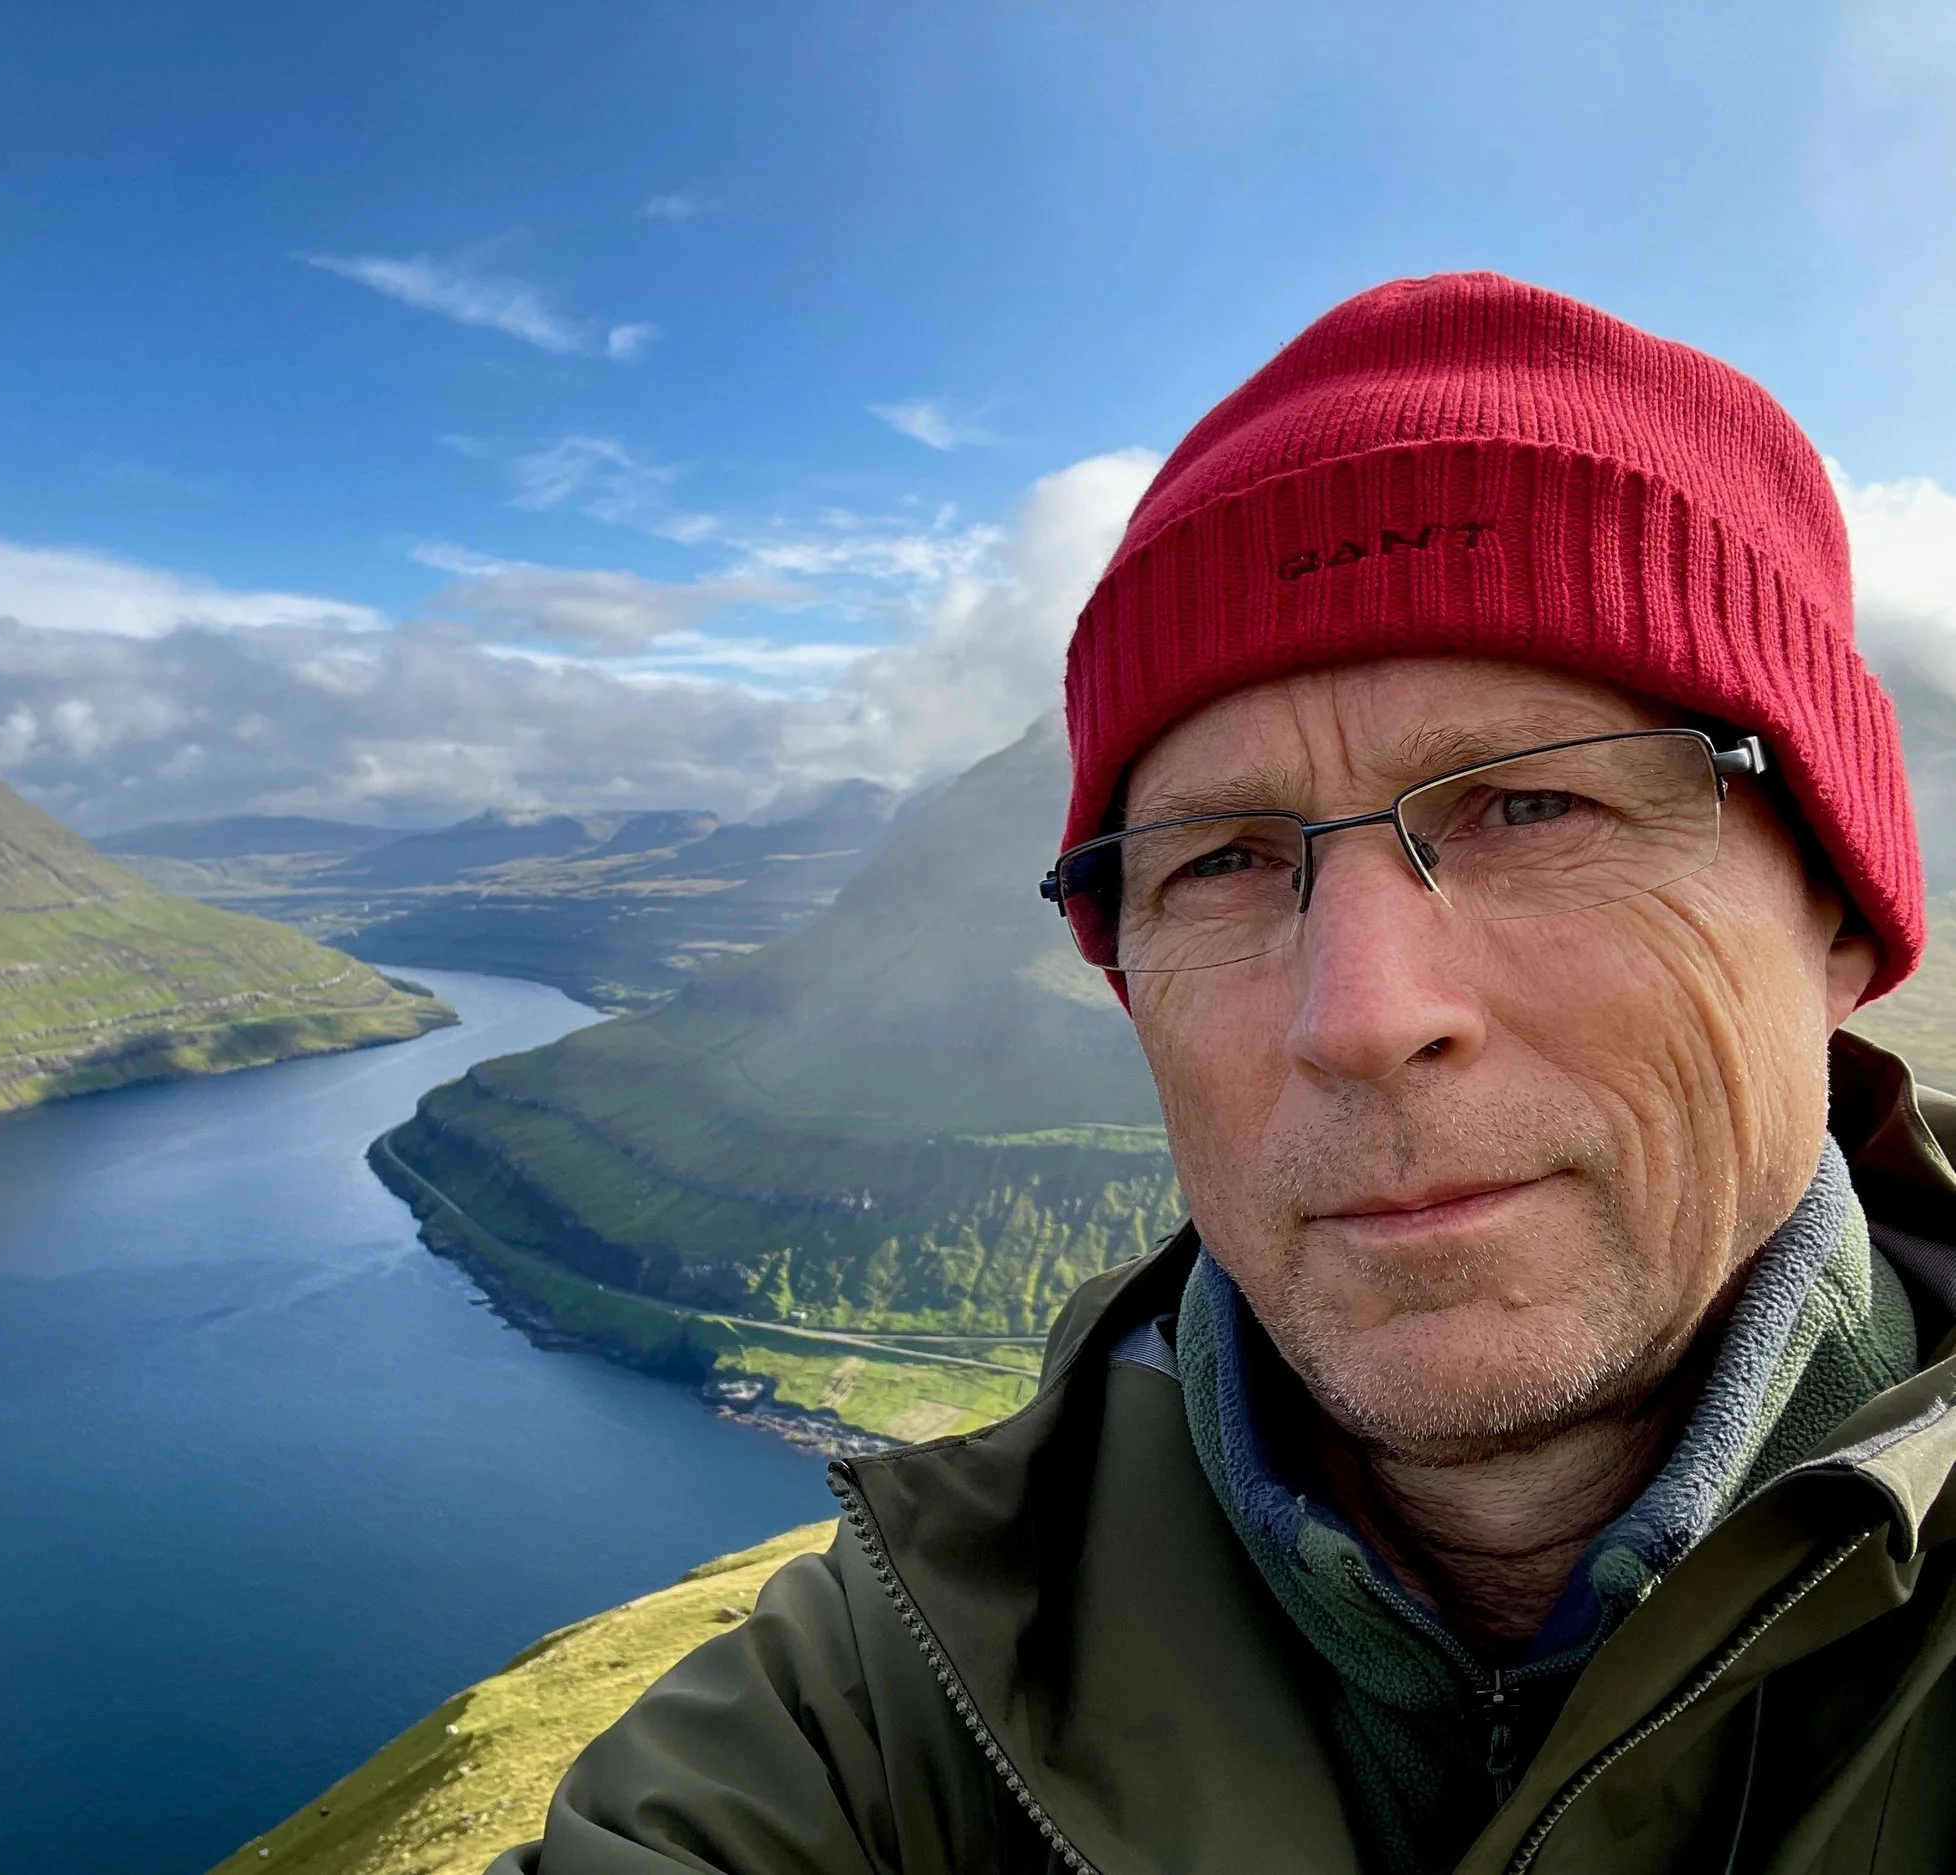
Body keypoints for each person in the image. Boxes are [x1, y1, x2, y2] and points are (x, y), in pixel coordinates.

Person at [495, 274, 1956, 1874]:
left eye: (1534, 804)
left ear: (1837, 916)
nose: (1359, 1014)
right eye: (1224, 861)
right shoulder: (880, 1700)